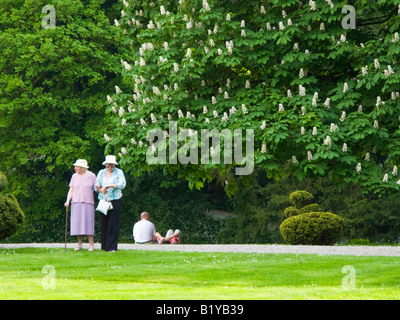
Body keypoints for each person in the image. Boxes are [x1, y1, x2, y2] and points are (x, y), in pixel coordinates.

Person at [94, 155, 126, 252]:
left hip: (115, 199)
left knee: (113, 223)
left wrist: (110, 186)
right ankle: (104, 246)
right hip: (103, 199)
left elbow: (122, 184)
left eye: (112, 165)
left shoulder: (119, 172)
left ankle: (111, 247)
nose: (110, 167)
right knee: (104, 223)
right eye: (108, 165)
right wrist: (99, 188)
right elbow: (96, 186)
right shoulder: (101, 172)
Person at [65, 159, 97, 251]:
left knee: (88, 223)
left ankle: (91, 245)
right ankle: (79, 244)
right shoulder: (74, 176)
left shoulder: (91, 176)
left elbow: (96, 188)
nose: (75, 168)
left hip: (88, 202)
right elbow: (71, 189)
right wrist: (68, 201)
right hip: (76, 202)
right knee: (78, 223)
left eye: (77, 166)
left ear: (83, 168)